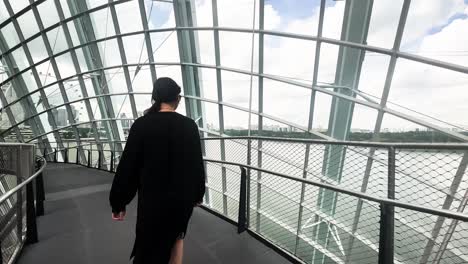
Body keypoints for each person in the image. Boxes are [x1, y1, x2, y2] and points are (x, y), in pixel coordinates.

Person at [109, 77, 206, 264]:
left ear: (156, 98)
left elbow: (129, 167)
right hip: (181, 201)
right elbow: (196, 165)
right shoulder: (189, 126)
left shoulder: (142, 125)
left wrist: (118, 202)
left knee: (148, 246)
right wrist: (198, 194)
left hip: (153, 202)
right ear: (177, 99)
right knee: (177, 237)